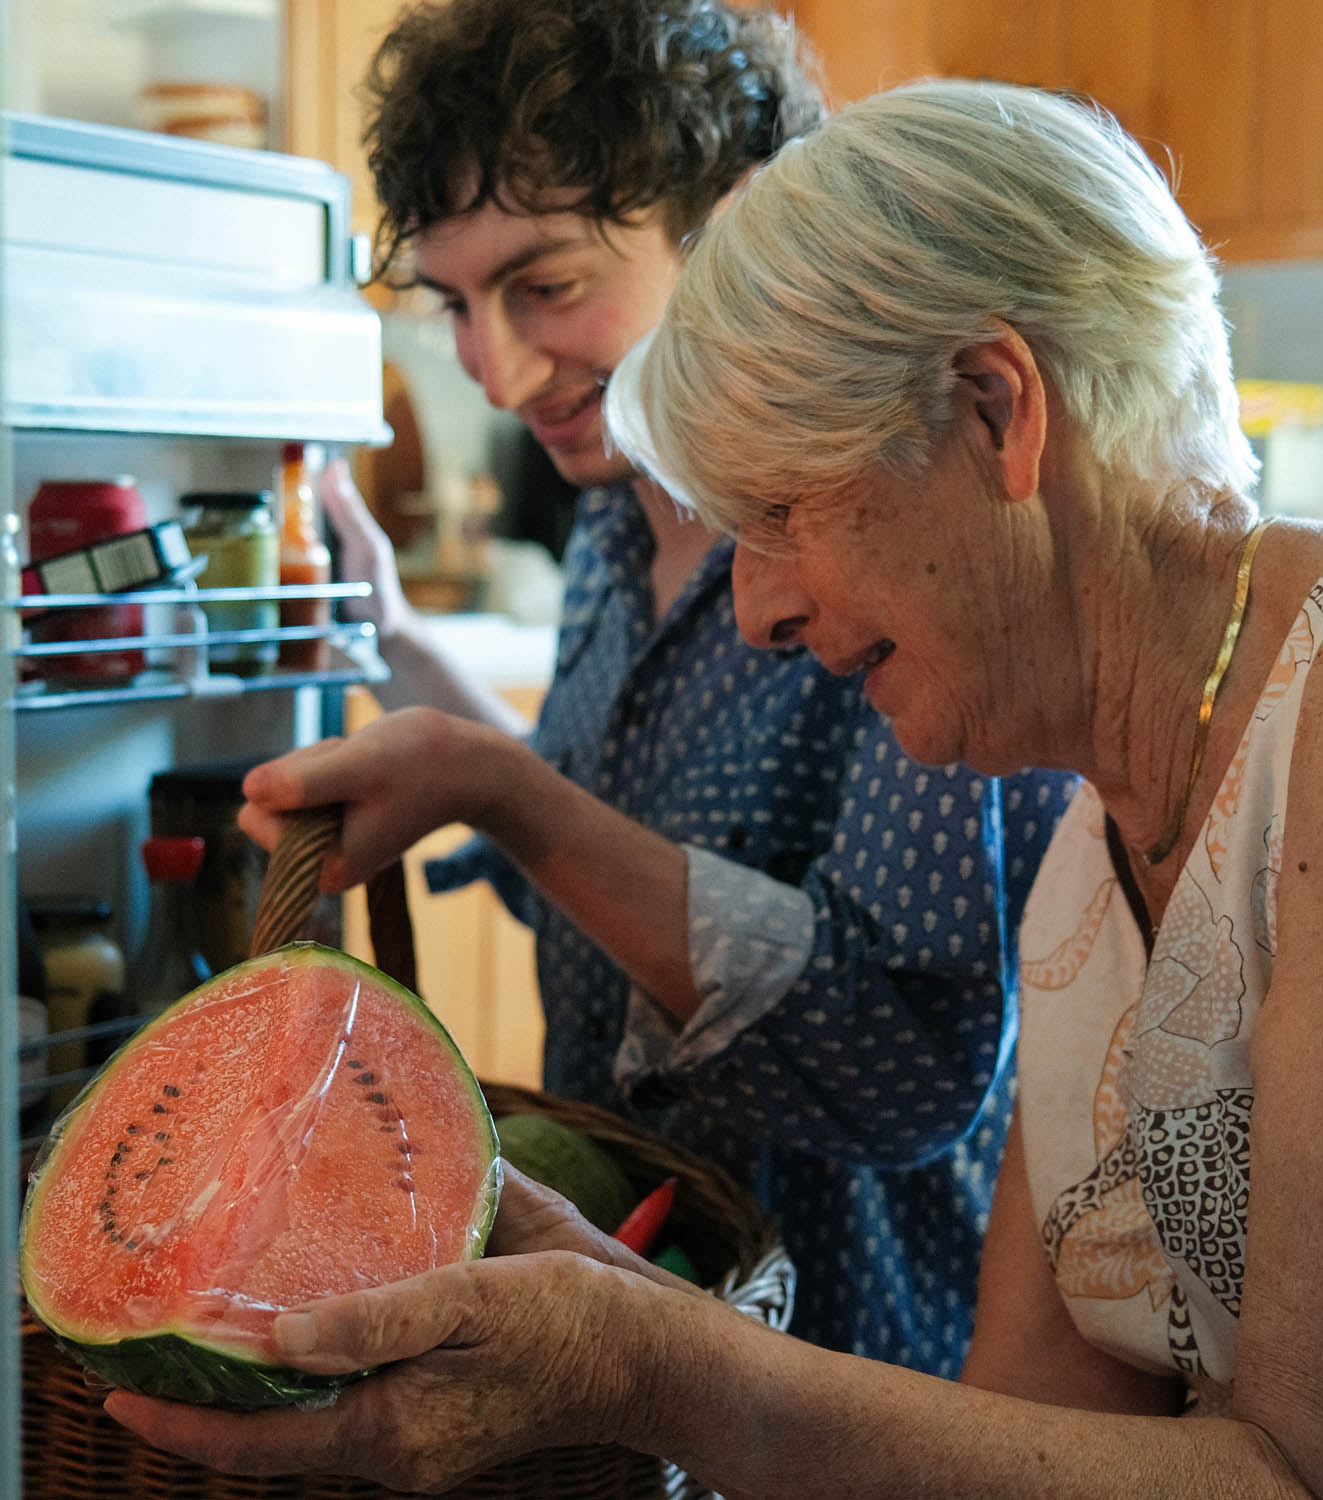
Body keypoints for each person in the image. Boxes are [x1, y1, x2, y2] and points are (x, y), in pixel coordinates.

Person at [110, 77, 1323, 1496]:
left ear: (995, 409)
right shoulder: (1098, 826)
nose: (758, 610)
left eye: (779, 512)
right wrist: (627, 1323)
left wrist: (662, 1372)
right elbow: (1037, 1418)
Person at [265, 0, 1077, 1375]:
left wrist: (503, 793)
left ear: (737, 223)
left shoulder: (896, 531)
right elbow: (601, 853)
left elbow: (904, 1063)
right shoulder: (612, 517)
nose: (497, 371)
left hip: (842, 1368)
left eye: (545, 286)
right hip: (624, 1357)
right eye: (455, 305)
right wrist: (396, 642)